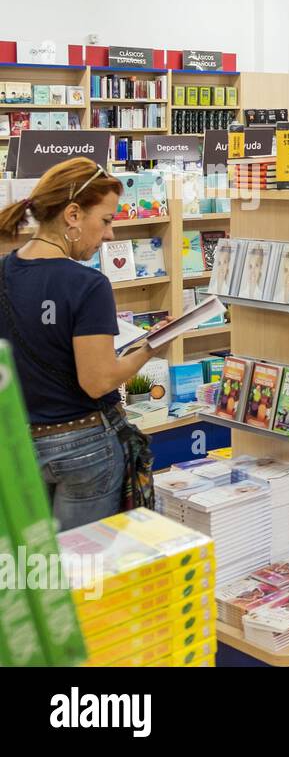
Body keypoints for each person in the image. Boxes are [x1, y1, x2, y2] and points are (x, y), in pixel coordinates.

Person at [0, 157, 176, 529]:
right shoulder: (88, 285)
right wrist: (150, 348)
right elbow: (97, 381)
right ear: (74, 215)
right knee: (86, 571)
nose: (110, 235)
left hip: (17, 447)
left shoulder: (4, 270)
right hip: (84, 447)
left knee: (39, 570)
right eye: (107, 221)